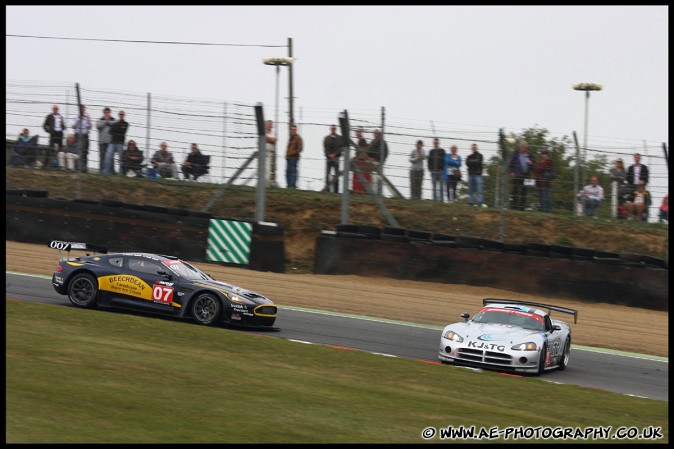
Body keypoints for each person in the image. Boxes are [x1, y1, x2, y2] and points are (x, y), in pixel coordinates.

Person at [507, 140, 534, 210]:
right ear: (520, 146)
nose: (523, 148)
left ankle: (522, 208)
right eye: (522, 146)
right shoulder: (515, 154)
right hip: (517, 175)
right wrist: (511, 172)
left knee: (524, 192)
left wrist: (531, 163)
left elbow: (534, 166)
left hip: (526, 176)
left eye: (524, 147)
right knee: (515, 191)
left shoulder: (530, 155)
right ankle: (514, 207)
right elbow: (510, 164)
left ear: (526, 147)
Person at [103, 110, 129, 175]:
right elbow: (110, 132)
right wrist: (118, 129)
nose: (121, 115)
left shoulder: (125, 124)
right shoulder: (115, 123)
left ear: (124, 115)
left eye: (122, 114)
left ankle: (121, 172)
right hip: (112, 142)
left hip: (120, 143)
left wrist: (116, 129)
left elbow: (123, 131)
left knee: (121, 158)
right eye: (120, 114)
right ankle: (106, 172)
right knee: (108, 156)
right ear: (118, 115)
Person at [42, 104, 65, 169]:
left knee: (60, 150)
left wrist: (62, 125)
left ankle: (60, 166)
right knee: (50, 149)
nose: (56, 110)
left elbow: (64, 127)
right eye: (54, 109)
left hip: (60, 134)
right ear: (53, 109)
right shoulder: (49, 116)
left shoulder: (60, 117)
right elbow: (44, 125)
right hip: (53, 134)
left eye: (57, 109)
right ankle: (46, 165)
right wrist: (49, 131)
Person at [70, 104, 91, 172]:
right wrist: (79, 120)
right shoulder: (75, 117)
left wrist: (88, 119)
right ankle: (78, 167)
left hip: (85, 136)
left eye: (83, 108)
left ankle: (84, 168)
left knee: (85, 152)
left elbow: (90, 126)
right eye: (81, 109)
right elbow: (73, 126)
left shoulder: (87, 117)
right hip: (78, 135)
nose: (82, 110)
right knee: (78, 151)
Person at [323, 124, 343, 193]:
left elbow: (341, 148)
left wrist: (335, 155)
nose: (333, 130)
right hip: (328, 158)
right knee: (327, 174)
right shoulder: (326, 138)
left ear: (336, 129)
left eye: (334, 128)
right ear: (330, 129)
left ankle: (336, 191)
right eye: (332, 128)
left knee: (336, 176)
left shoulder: (340, 138)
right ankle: (327, 190)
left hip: (336, 158)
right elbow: (325, 148)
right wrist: (329, 155)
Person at [96, 107, 115, 173]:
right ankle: (101, 171)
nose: (107, 113)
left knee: (111, 157)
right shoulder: (100, 120)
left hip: (111, 142)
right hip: (102, 142)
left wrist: (108, 121)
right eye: (105, 112)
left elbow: (115, 125)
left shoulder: (113, 119)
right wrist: (106, 121)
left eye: (108, 112)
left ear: (110, 112)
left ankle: (112, 171)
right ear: (103, 112)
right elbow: (98, 126)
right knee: (102, 157)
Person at [465, 143, 484, 207]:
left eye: (475, 147)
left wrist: (471, 162)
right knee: (470, 191)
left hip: (478, 175)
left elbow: (478, 162)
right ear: (471, 148)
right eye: (473, 147)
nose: (474, 148)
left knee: (479, 190)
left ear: (477, 148)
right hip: (470, 175)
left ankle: (479, 203)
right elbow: (467, 163)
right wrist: (474, 161)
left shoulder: (480, 155)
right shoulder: (469, 156)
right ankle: (471, 203)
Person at [427, 138, 446, 202]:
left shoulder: (442, 151)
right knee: (434, 187)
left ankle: (441, 201)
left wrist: (443, 169)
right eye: (435, 142)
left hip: (440, 171)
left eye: (437, 142)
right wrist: (430, 169)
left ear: (439, 143)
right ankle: (434, 201)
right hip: (433, 171)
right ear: (433, 143)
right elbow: (429, 161)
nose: (436, 143)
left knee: (441, 187)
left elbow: (444, 160)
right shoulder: (431, 151)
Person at [285, 123, 303, 189]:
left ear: (296, 130)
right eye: (292, 129)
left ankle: (292, 185)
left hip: (294, 158)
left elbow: (300, 148)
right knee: (288, 171)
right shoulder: (290, 138)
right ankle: (289, 184)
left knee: (293, 171)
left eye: (294, 129)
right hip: (288, 157)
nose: (293, 131)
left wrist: (293, 153)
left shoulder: (298, 138)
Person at [265, 120, 277, 186]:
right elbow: (260, 141)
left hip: (270, 153)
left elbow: (274, 141)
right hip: (263, 153)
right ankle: (264, 184)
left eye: (271, 124)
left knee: (269, 170)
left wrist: (266, 138)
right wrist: (270, 140)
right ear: (266, 125)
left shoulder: (273, 133)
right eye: (269, 124)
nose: (270, 126)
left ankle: (267, 184)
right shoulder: (263, 132)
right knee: (264, 170)